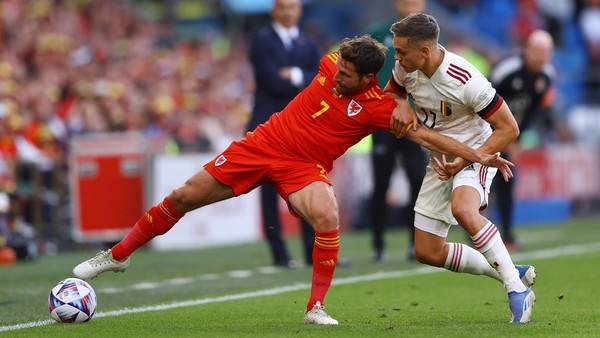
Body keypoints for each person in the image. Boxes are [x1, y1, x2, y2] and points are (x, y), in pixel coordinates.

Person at [73, 35, 513, 325]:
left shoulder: (379, 107)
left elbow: (425, 134)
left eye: (345, 75)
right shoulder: (329, 62)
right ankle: (117, 255)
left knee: (327, 213)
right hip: (262, 145)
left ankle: (315, 307)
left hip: (304, 168)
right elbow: (364, 54)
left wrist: (479, 155)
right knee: (184, 195)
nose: (336, 74)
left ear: (365, 80)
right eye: (337, 68)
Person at [387, 13, 536, 323]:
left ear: (425, 51)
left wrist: (469, 158)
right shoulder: (405, 66)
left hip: (476, 153)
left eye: (402, 51)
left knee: (464, 211)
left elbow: (509, 129)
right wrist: (400, 101)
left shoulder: (465, 79)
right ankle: (509, 269)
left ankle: (517, 291)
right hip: (439, 160)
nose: (397, 57)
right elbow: (394, 92)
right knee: (427, 251)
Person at [247, 0, 321, 268]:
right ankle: (279, 255)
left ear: (299, 11)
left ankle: (311, 251)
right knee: (268, 189)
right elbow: (269, 80)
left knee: (309, 184)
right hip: (268, 124)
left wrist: (294, 74)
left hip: (301, 125)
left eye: (292, 7)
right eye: (283, 7)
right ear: (273, 10)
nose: (288, 12)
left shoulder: (309, 42)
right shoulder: (261, 40)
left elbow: (319, 80)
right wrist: (301, 81)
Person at [367, 0, 428, 262]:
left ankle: (416, 244)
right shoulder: (379, 33)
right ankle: (378, 244)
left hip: (414, 122)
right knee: (381, 183)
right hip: (383, 120)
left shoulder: (430, 36)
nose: (410, 5)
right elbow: (367, 73)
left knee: (418, 182)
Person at [489, 29, 556, 251]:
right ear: (526, 49)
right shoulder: (507, 70)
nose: (540, 56)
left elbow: (531, 111)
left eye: (545, 52)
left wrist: (516, 138)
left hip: (507, 133)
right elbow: (482, 99)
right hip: (482, 128)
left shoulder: (547, 76)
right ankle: (475, 232)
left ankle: (506, 234)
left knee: (507, 179)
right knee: (479, 181)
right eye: (536, 50)